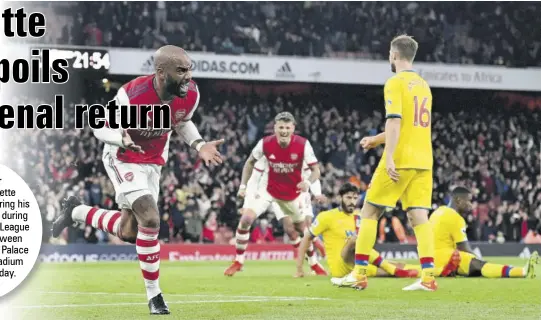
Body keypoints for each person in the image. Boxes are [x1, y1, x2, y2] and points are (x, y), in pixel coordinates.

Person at [51, 45, 225, 315]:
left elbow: (182, 121)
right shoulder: (131, 94)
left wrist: (199, 144)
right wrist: (122, 138)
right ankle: (155, 296)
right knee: (151, 218)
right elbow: (98, 125)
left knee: (130, 232)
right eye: (181, 70)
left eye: (190, 69)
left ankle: (76, 210)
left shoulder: (191, 93)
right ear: (160, 72)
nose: (188, 76)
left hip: (153, 161)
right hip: (122, 156)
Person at [351, 34, 437, 291]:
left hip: (401, 158)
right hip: (424, 160)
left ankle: (358, 274)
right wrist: (376, 141)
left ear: (395, 55)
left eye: (390, 54)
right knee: (419, 217)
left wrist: (387, 155)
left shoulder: (395, 82)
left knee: (369, 211)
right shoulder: (423, 85)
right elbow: (410, 126)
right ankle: (429, 277)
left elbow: (395, 122)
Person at [224, 112, 324, 276]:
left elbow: (316, 171)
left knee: (301, 229)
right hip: (268, 189)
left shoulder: (303, 145)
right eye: (280, 127)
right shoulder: (265, 143)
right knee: (246, 219)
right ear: (275, 128)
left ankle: (314, 264)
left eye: (287, 127)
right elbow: (249, 163)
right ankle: (238, 261)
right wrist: (243, 186)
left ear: (293, 129)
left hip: (291, 192)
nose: (284, 131)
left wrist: (308, 183)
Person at [296, 183, 420, 283]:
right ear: (340, 198)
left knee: (396, 266)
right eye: (348, 198)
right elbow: (307, 237)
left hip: (357, 265)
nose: (352, 202)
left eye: (355, 198)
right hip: (340, 268)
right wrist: (299, 268)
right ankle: (393, 270)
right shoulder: (326, 217)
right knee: (355, 240)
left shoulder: (358, 216)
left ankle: (434, 270)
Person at [431, 187, 539, 279]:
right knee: (481, 266)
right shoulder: (456, 218)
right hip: (448, 259)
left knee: (475, 267)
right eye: (468, 201)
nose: (470, 205)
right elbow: (464, 248)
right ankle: (522, 271)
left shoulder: (437, 212)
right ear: (458, 200)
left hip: (432, 260)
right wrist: (479, 260)